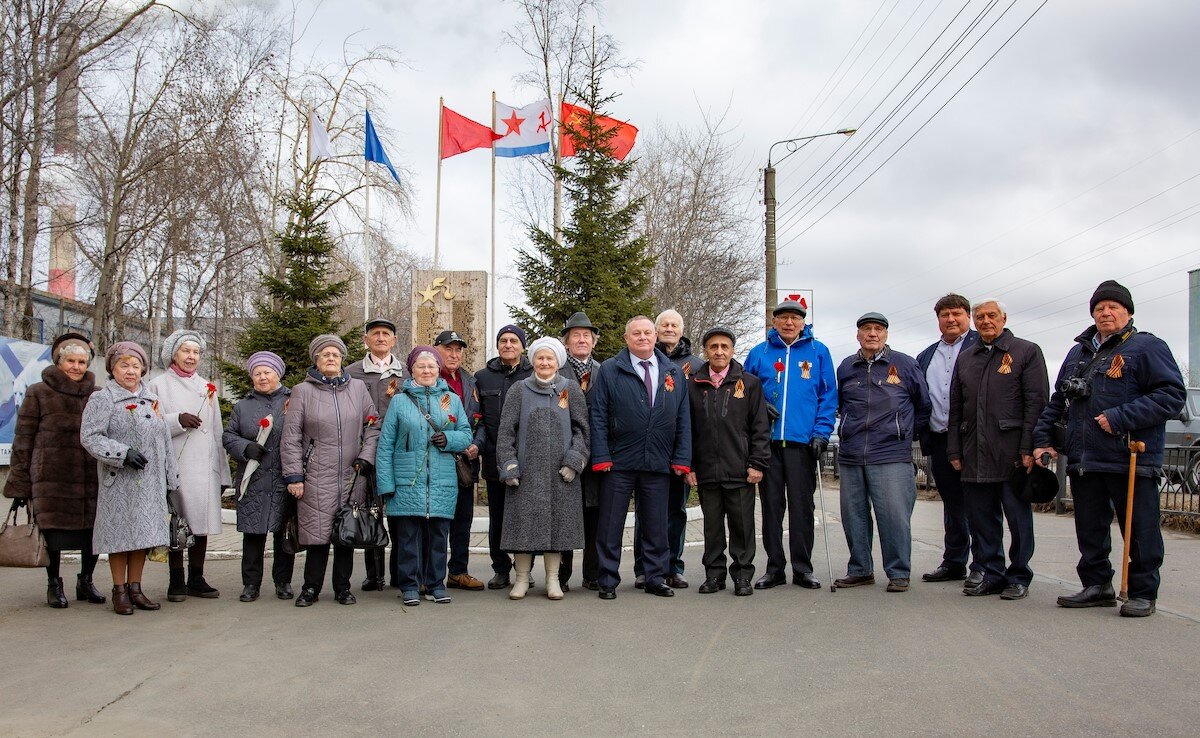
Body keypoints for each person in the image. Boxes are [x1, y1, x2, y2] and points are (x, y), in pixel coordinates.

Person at [1033, 280, 1186, 618]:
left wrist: (1120, 416)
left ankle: (1143, 592)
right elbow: (1059, 400)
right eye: (1099, 308)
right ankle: (1097, 585)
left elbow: (1172, 395)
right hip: (1085, 457)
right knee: (1089, 527)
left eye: (1113, 307)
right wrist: (1042, 439)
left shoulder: (1146, 347)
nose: (1105, 312)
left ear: (1128, 312)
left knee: (1140, 529)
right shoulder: (1078, 352)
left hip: (1129, 454)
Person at [948, 299, 1048, 599]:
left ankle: (1019, 575)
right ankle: (992, 573)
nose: (985, 321)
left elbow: (1037, 403)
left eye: (991, 315)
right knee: (982, 520)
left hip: (1012, 454)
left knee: (1018, 520)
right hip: (974, 454)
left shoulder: (1025, 351)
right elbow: (956, 408)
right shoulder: (966, 358)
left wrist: (1029, 446)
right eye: (980, 316)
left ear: (1004, 317)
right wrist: (954, 450)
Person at [591, 316, 692, 600]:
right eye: (636, 333)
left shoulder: (673, 371)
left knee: (656, 524)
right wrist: (601, 455)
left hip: (658, 461)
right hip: (618, 462)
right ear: (627, 338)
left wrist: (682, 459)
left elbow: (683, 418)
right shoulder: (610, 369)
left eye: (648, 332)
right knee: (610, 524)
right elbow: (598, 415)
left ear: (656, 336)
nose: (643, 337)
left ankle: (655, 577)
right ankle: (608, 579)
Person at [3, 333, 105, 608]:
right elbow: (23, 439)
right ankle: (54, 584)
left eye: (82, 361)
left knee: (92, 536)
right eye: (71, 360)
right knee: (55, 537)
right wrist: (20, 484)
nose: (76, 366)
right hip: (52, 480)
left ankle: (86, 581)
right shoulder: (39, 392)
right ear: (59, 361)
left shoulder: (97, 395)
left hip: (91, 479)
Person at [743, 299, 837, 590]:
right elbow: (744, 391)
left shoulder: (818, 352)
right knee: (771, 508)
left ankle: (802, 567)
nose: (788, 323)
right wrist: (760, 407)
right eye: (782, 318)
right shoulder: (760, 353)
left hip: (802, 443)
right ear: (774, 322)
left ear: (803, 322)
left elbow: (827, 396)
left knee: (802, 508)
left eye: (794, 318)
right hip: (767, 444)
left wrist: (821, 433)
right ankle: (774, 568)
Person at [834, 313, 931, 593]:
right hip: (852, 453)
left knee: (893, 517)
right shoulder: (846, 368)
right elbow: (841, 406)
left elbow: (923, 406)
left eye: (878, 329)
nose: (872, 334)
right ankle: (860, 569)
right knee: (854, 517)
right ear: (858, 335)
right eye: (866, 329)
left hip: (890, 453)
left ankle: (898, 571)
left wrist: (903, 435)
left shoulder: (904, 364)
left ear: (886, 334)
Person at [280, 335, 379, 607]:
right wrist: (294, 476)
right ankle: (310, 588)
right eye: (325, 355)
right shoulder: (302, 391)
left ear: (343, 359)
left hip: (351, 473)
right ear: (317, 360)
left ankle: (343, 589)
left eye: (335, 354)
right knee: (317, 535)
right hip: (315, 475)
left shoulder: (358, 389)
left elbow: (373, 426)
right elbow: (291, 437)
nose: (331, 358)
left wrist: (366, 457)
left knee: (345, 533)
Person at [80, 342, 177, 615]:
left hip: (150, 481)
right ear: (112, 368)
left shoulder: (151, 399)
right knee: (120, 537)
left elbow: (165, 440)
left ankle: (136, 588)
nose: (130, 371)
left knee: (143, 536)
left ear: (143, 369)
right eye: (124, 365)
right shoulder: (103, 399)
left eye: (136, 366)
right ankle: (119, 590)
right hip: (119, 481)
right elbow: (90, 437)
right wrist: (122, 454)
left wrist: (171, 477)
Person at [375, 346, 473, 606]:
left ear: (438, 369)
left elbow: (466, 433)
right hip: (408, 479)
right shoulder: (399, 400)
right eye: (421, 366)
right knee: (408, 537)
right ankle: (409, 585)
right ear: (412, 370)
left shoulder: (451, 399)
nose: (427, 370)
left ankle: (435, 584)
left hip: (442, 479)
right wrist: (385, 483)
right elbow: (385, 445)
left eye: (431, 366)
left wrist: (449, 438)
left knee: (439, 536)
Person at [495, 337, 589, 600]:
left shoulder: (570, 389)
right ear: (533, 360)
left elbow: (583, 430)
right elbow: (505, 433)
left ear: (557, 362)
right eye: (540, 358)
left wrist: (574, 461)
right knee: (522, 528)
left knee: (556, 529)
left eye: (550, 358)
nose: (545, 362)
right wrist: (509, 466)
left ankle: (553, 580)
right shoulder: (518, 390)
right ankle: (522, 580)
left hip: (561, 476)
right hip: (526, 474)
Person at [684, 326, 770, 596]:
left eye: (724, 347)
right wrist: (690, 466)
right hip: (706, 470)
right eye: (713, 347)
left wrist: (757, 463)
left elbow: (759, 427)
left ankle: (743, 575)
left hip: (740, 469)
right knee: (712, 528)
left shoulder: (750, 383)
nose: (719, 351)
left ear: (732, 351)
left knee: (742, 526)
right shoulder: (693, 385)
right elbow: (687, 429)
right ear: (706, 351)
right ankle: (714, 575)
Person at [148, 329, 231, 601]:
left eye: (196, 352)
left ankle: (197, 577)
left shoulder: (206, 387)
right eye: (186, 351)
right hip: (175, 466)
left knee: (201, 523)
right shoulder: (158, 385)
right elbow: (148, 426)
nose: (191, 357)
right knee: (177, 524)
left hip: (204, 469)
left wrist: (222, 473)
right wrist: (176, 420)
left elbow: (217, 431)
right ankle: (176, 580)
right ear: (173, 354)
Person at [916, 294, 983, 586]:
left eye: (956, 313)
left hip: (974, 439)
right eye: (945, 315)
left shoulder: (983, 347)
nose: (951, 320)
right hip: (940, 439)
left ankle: (983, 562)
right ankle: (954, 561)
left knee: (979, 504)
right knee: (953, 505)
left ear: (967, 316)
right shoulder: (927, 355)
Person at [632, 309, 698, 589]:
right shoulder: (646, 360)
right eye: (664, 325)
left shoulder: (695, 365)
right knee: (646, 512)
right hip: (649, 451)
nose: (669, 329)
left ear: (681, 331)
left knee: (676, 511)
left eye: (674, 325)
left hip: (680, 449)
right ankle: (643, 568)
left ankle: (673, 566)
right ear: (656, 331)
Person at [222, 351, 295, 602]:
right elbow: (228, 436)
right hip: (253, 480)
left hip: (283, 478)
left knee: (283, 535)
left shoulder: (293, 400)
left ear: (278, 374)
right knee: (253, 535)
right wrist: (245, 447)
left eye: (267, 372)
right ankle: (251, 584)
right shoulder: (243, 406)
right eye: (257, 373)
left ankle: (283, 581)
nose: (263, 377)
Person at [346, 317, 405, 591]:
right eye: (375, 334)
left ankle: (398, 574)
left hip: (397, 454)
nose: (381, 338)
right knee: (371, 511)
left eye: (386, 334)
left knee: (398, 515)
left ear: (394, 340)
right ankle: (374, 575)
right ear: (366, 340)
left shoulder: (406, 372)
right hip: (366, 452)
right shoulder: (352, 373)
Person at [473, 324, 533, 589]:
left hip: (528, 459)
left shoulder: (533, 374)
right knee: (497, 517)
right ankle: (500, 568)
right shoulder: (482, 377)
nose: (508, 345)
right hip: (495, 458)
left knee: (523, 516)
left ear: (522, 346)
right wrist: (482, 446)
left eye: (514, 341)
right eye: (503, 341)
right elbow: (481, 420)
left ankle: (525, 569)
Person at [433, 329, 486, 592]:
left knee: (462, 521)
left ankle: (459, 571)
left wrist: (477, 444)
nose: (454, 355)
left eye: (458, 350)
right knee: (438, 521)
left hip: (466, 463)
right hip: (437, 462)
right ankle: (432, 575)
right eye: (448, 349)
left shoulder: (471, 381)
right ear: (436, 350)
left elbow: (482, 420)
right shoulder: (427, 378)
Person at [557, 311, 602, 590]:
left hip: (596, 456)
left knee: (595, 516)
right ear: (567, 342)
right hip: (565, 455)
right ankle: (561, 576)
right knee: (565, 516)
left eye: (587, 335)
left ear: (594, 342)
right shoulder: (558, 371)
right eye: (576, 335)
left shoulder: (604, 371)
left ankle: (592, 575)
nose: (582, 339)